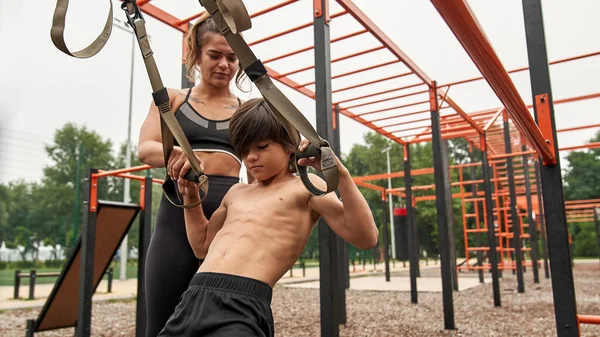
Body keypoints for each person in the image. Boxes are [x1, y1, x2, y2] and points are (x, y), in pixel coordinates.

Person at [157, 98, 379, 337]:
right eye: (244, 150)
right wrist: (190, 196)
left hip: (242, 304)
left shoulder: (306, 186)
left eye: (261, 146)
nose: (251, 157)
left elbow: (365, 237)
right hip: (193, 297)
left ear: (289, 147)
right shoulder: (237, 192)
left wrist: (341, 175)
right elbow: (202, 247)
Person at [137, 14, 251, 337]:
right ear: (196, 55)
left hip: (227, 224)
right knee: (161, 321)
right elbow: (144, 148)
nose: (225, 65)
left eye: (232, 57)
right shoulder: (172, 100)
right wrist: (172, 152)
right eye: (215, 55)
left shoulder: (246, 110)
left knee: (223, 323)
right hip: (174, 223)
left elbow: (262, 166)